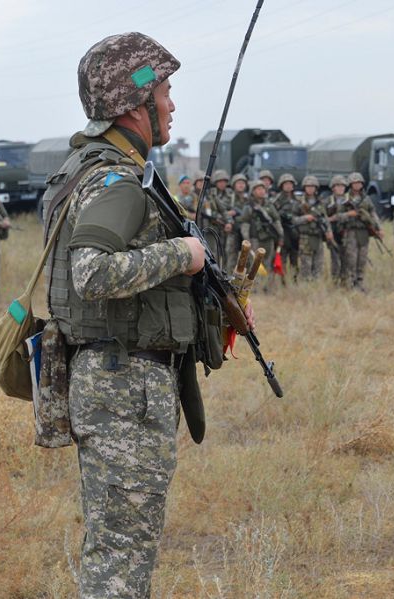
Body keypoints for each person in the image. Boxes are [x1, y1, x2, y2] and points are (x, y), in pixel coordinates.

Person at [41, 32, 247, 597]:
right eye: (165, 92)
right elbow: (92, 272)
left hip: (117, 382)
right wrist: (184, 253)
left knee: (119, 547)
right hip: (123, 385)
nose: (173, 105)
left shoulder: (91, 169)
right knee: (122, 556)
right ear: (135, 103)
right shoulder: (117, 180)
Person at [337, 172, 381, 291]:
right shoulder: (345, 198)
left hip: (364, 232)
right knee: (351, 259)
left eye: (359, 183)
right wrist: (348, 214)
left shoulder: (366, 199)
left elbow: (373, 213)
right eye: (354, 183)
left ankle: (360, 283)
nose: (357, 185)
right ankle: (351, 283)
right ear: (350, 184)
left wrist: (378, 228)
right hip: (350, 232)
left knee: (362, 259)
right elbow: (338, 216)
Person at [240, 180, 283, 292]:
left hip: (269, 239)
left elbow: (276, 220)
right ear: (253, 191)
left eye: (263, 189)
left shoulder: (269, 205)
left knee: (268, 263)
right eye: (258, 189)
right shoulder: (248, 206)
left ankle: (267, 288)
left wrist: (281, 235)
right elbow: (245, 224)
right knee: (256, 265)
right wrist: (247, 240)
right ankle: (255, 289)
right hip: (255, 239)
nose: (261, 191)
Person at [294, 175, 332, 281]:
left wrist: (328, 231)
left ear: (316, 188)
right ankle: (305, 288)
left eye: (312, 186)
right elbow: (292, 220)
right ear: (304, 187)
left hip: (318, 237)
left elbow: (325, 219)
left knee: (318, 264)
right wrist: (305, 218)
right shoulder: (298, 202)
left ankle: (316, 287)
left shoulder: (320, 203)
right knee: (306, 265)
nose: (310, 189)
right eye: (308, 186)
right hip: (305, 237)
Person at [273, 173, 301, 278]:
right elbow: (273, 216)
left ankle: (294, 280)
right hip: (283, 232)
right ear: (281, 185)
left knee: (295, 259)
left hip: (295, 233)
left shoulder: (298, 200)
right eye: (286, 184)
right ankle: (283, 282)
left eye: (290, 184)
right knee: (282, 258)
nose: (288, 186)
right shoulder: (277, 200)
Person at [325, 174, 348, 285]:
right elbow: (322, 217)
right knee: (335, 260)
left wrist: (340, 217)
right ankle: (335, 282)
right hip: (333, 234)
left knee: (346, 260)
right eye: (337, 186)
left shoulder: (349, 201)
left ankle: (344, 281)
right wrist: (330, 220)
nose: (340, 188)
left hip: (346, 234)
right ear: (333, 187)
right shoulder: (327, 202)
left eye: (342, 186)